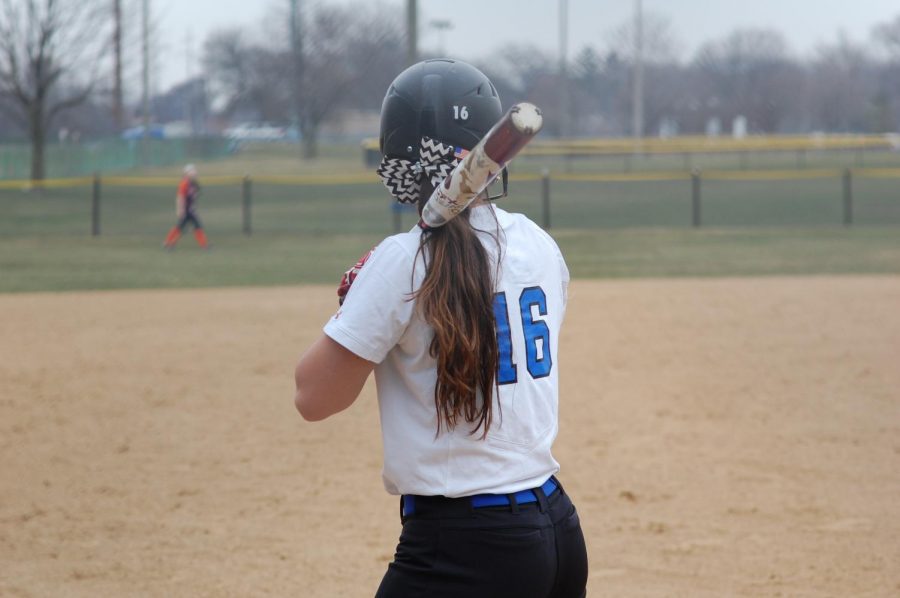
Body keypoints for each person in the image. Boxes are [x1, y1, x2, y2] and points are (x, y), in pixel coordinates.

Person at [293, 59, 588, 597]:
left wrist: (355, 306)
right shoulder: (536, 242)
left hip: (464, 544)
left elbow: (313, 397)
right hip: (556, 531)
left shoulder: (403, 261)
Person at [163, 164, 209, 249]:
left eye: (194, 170)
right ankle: (168, 242)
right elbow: (180, 197)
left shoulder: (194, 183)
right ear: (186, 173)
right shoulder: (184, 183)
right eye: (192, 171)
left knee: (197, 226)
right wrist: (180, 210)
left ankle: (204, 245)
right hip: (185, 210)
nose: (194, 172)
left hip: (191, 210)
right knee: (179, 228)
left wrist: (194, 207)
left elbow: (194, 197)